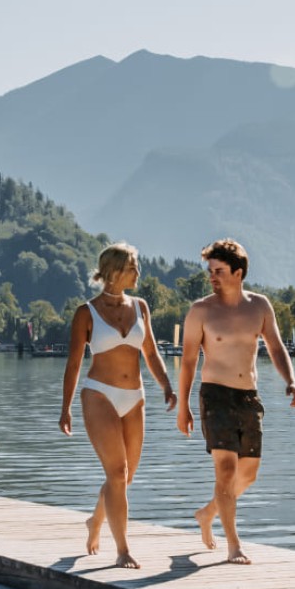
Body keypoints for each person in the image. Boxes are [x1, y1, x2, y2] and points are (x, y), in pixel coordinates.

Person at [176, 238, 295, 565]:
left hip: (248, 397)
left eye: (218, 271)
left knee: (248, 474)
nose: (211, 277)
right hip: (215, 395)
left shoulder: (259, 306)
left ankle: (208, 513)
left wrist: (291, 380)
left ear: (238, 272)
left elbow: (275, 347)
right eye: (210, 271)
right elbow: (188, 360)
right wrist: (184, 406)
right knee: (226, 470)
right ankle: (233, 545)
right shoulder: (200, 310)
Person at [60, 242, 177, 568]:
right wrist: (65, 407)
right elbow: (72, 364)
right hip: (99, 394)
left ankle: (96, 520)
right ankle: (123, 549)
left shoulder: (140, 306)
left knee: (125, 477)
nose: (138, 272)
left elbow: (151, 354)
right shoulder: (86, 312)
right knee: (117, 471)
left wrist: (167, 386)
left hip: (135, 398)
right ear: (112, 272)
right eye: (132, 267)